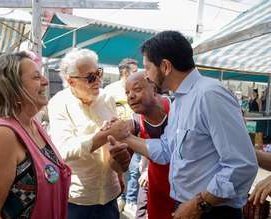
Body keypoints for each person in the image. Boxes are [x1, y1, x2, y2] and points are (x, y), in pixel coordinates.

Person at [109, 31, 258, 219]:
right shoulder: (180, 100)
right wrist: (126, 136)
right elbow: (166, 150)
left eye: (148, 68)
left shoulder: (209, 95)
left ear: (165, 66)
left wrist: (200, 203)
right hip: (192, 206)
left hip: (213, 211)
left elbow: (242, 165)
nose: (146, 76)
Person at [0, 51, 71, 219]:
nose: (46, 81)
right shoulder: (2, 135)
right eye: (36, 77)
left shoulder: (32, 124)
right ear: (13, 87)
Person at [48, 48, 130, 219]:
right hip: (77, 200)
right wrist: (102, 135)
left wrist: (120, 170)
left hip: (109, 195)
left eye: (98, 73)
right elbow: (63, 150)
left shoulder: (107, 99)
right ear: (71, 81)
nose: (98, 81)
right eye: (90, 77)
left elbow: (112, 144)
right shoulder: (59, 103)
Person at [125, 71, 175, 219]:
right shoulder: (135, 121)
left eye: (137, 89)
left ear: (153, 88)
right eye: (127, 92)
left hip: (185, 189)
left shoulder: (177, 108)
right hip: (157, 187)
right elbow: (119, 166)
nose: (130, 96)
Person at [104, 58, 140, 214]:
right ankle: (120, 195)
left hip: (134, 134)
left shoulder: (137, 89)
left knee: (134, 169)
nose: (137, 73)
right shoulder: (110, 90)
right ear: (125, 72)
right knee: (117, 168)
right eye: (134, 70)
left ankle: (129, 199)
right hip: (115, 136)